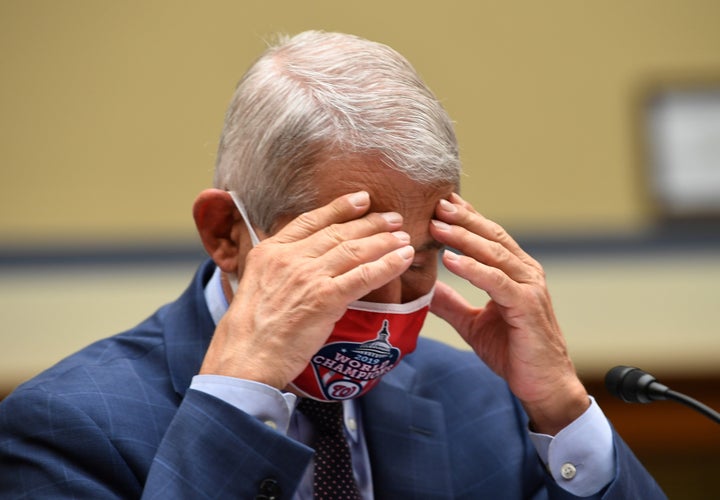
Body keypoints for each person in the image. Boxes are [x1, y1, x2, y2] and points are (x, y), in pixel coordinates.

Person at [0, 31, 664, 499]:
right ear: (227, 233)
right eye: (347, 250)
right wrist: (239, 399)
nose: (385, 297)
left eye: (419, 257)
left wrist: (561, 408)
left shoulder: (484, 406)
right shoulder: (65, 426)